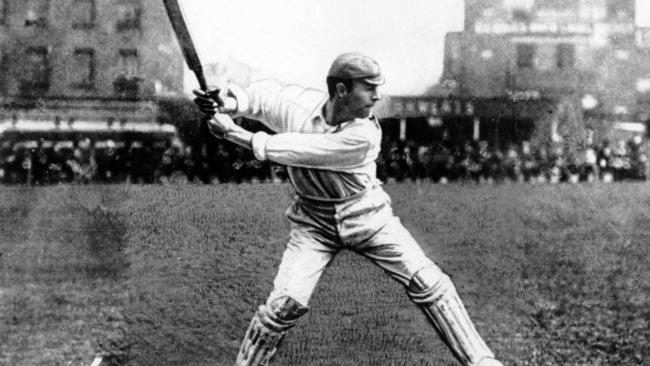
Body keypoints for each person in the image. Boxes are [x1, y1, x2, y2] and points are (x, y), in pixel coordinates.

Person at [193, 52, 504, 366]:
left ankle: (482, 361)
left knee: (428, 282)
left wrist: (233, 132)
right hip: (313, 224)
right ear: (341, 90)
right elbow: (262, 98)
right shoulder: (300, 104)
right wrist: (228, 104)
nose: (376, 95)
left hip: (368, 218)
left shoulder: (365, 135)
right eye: (368, 88)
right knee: (282, 306)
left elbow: (296, 150)